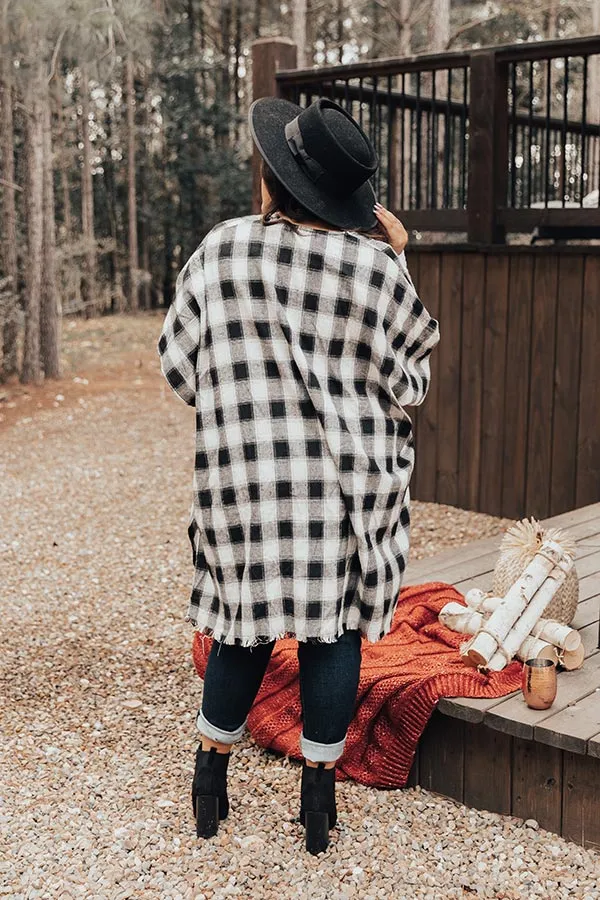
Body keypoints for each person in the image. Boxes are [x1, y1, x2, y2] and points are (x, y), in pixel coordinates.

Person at [158, 96, 440, 855]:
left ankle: (208, 781)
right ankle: (318, 803)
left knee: (241, 626)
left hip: (243, 485)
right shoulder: (376, 269)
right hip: (342, 494)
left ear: (278, 178)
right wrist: (398, 256)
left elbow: (179, 369)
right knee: (333, 630)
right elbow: (408, 382)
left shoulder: (223, 251)